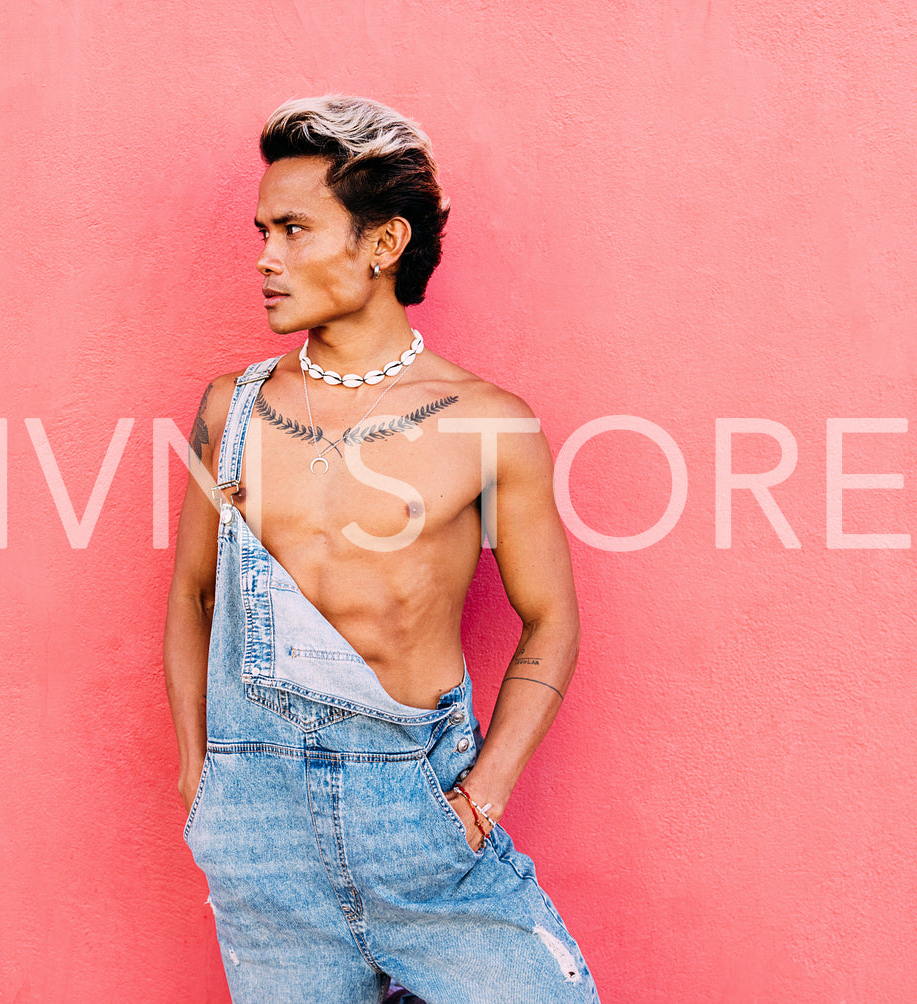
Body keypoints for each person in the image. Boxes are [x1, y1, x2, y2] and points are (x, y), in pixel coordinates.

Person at [163, 94, 600, 1003]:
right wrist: (199, 778)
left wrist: (483, 796)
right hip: (259, 826)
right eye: (263, 230)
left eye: (292, 229)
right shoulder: (230, 411)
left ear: (381, 243)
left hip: (417, 810)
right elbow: (194, 596)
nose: (264, 258)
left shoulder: (487, 425)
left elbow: (551, 620)